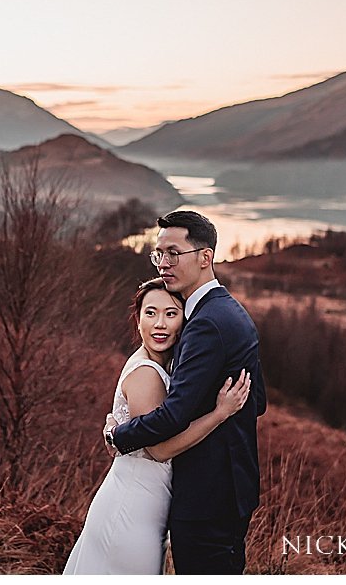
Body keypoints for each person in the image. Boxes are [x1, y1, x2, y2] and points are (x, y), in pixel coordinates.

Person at [105, 210, 267, 574]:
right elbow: (257, 402)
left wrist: (119, 433)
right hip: (226, 488)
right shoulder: (229, 311)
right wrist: (220, 409)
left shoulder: (207, 323)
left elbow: (175, 415)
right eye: (158, 254)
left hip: (208, 494)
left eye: (173, 253)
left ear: (205, 257)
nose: (164, 262)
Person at [64, 278, 251, 575]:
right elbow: (160, 449)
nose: (159, 324)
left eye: (171, 313)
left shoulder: (168, 366)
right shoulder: (147, 373)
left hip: (147, 507)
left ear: (184, 322)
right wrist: (220, 413)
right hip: (130, 510)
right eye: (150, 313)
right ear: (137, 320)